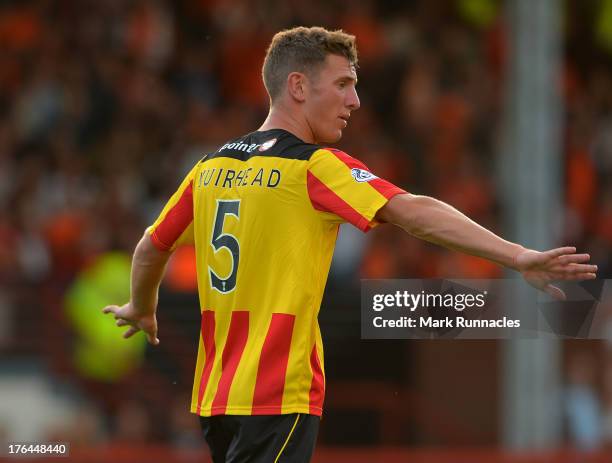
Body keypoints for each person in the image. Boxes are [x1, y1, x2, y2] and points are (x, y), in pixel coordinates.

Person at [103, 26, 597, 462]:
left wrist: (142, 306)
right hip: (278, 393)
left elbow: (150, 248)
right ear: (297, 86)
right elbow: (415, 212)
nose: (354, 101)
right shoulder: (314, 167)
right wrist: (518, 256)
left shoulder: (209, 169)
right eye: (343, 84)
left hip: (216, 398)